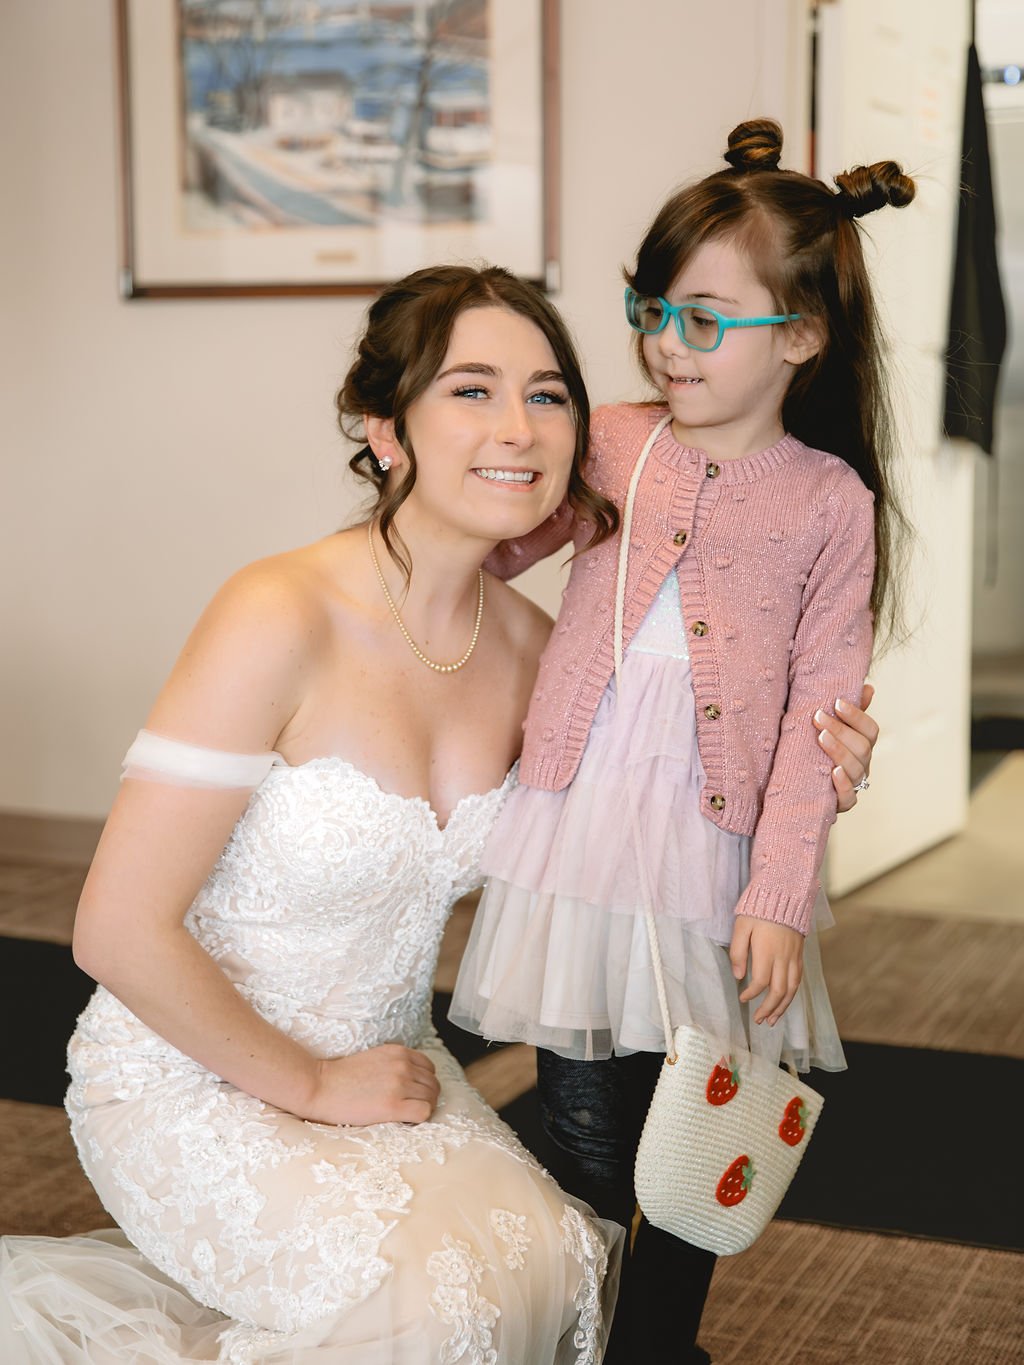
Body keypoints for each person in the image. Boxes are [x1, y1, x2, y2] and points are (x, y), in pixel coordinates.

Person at [0, 257, 877, 1363]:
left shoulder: (543, 656)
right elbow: (114, 929)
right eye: (471, 389)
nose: (519, 427)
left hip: (395, 1067)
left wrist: (823, 764)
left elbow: (691, 774)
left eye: (547, 394)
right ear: (387, 429)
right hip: (190, 1071)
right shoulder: (277, 612)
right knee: (441, 1315)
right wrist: (315, 1083)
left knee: (562, 1268)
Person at [449, 118, 912, 1364]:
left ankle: (660, 1346)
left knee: (699, 1132)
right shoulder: (613, 438)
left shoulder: (829, 503)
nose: (665, 342)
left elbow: (821, 714)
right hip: (581, 818)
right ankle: (586, 1333)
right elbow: (491, 550)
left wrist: (779, 890)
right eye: (652, 309)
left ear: (800, 336)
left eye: (703, 319)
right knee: (583, 1123)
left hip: (715, 847)